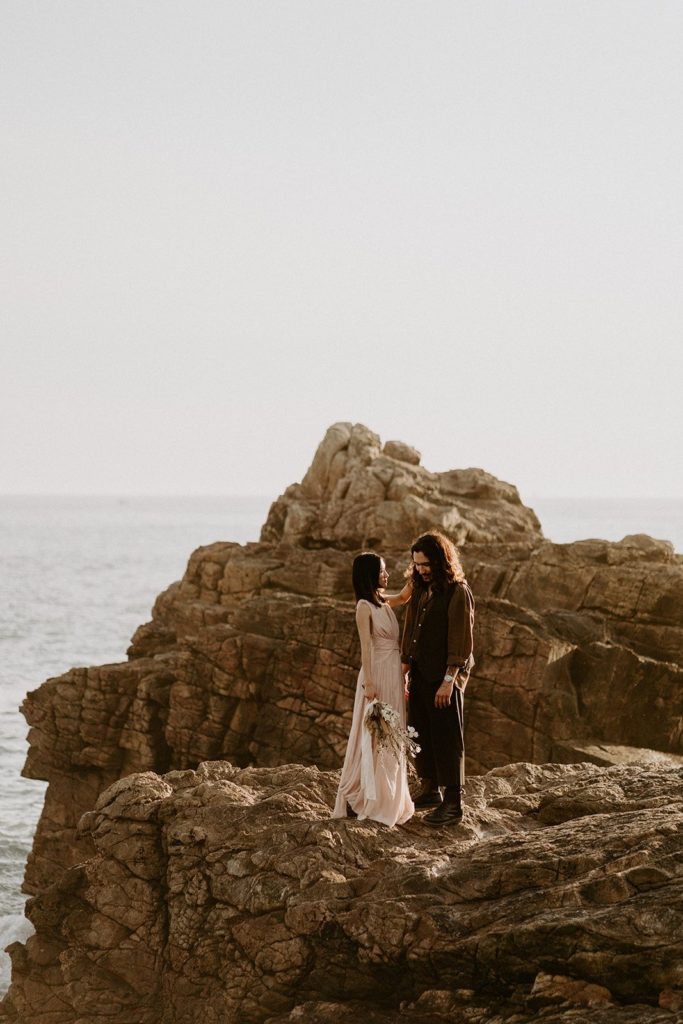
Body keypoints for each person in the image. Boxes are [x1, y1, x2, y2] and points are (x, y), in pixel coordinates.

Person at [333, 552, 414, 826]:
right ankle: (367, 796)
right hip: (376, 673)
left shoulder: (383, 601)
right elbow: (365, 647)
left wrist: (419, 570)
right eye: (382, 571)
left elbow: (404, 596)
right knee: (374, 735)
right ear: (369, 575)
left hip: (392, 671)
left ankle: (388, 795)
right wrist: (369, 683)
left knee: (392, 733)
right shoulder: (364, 607)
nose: (387, 574)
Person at [401, 532, 475, 826]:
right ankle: (430, 790)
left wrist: (449, 680)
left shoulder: (458, 592)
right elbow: (410, 630)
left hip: (445, 678)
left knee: (447, 738)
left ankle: (454, 805)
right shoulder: (420, 589)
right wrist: (405, 667)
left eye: (427, 564)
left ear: (442, 560)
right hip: (420, 674)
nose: (422, 570)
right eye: (417, 564)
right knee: (419, 732)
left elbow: (462, 642)